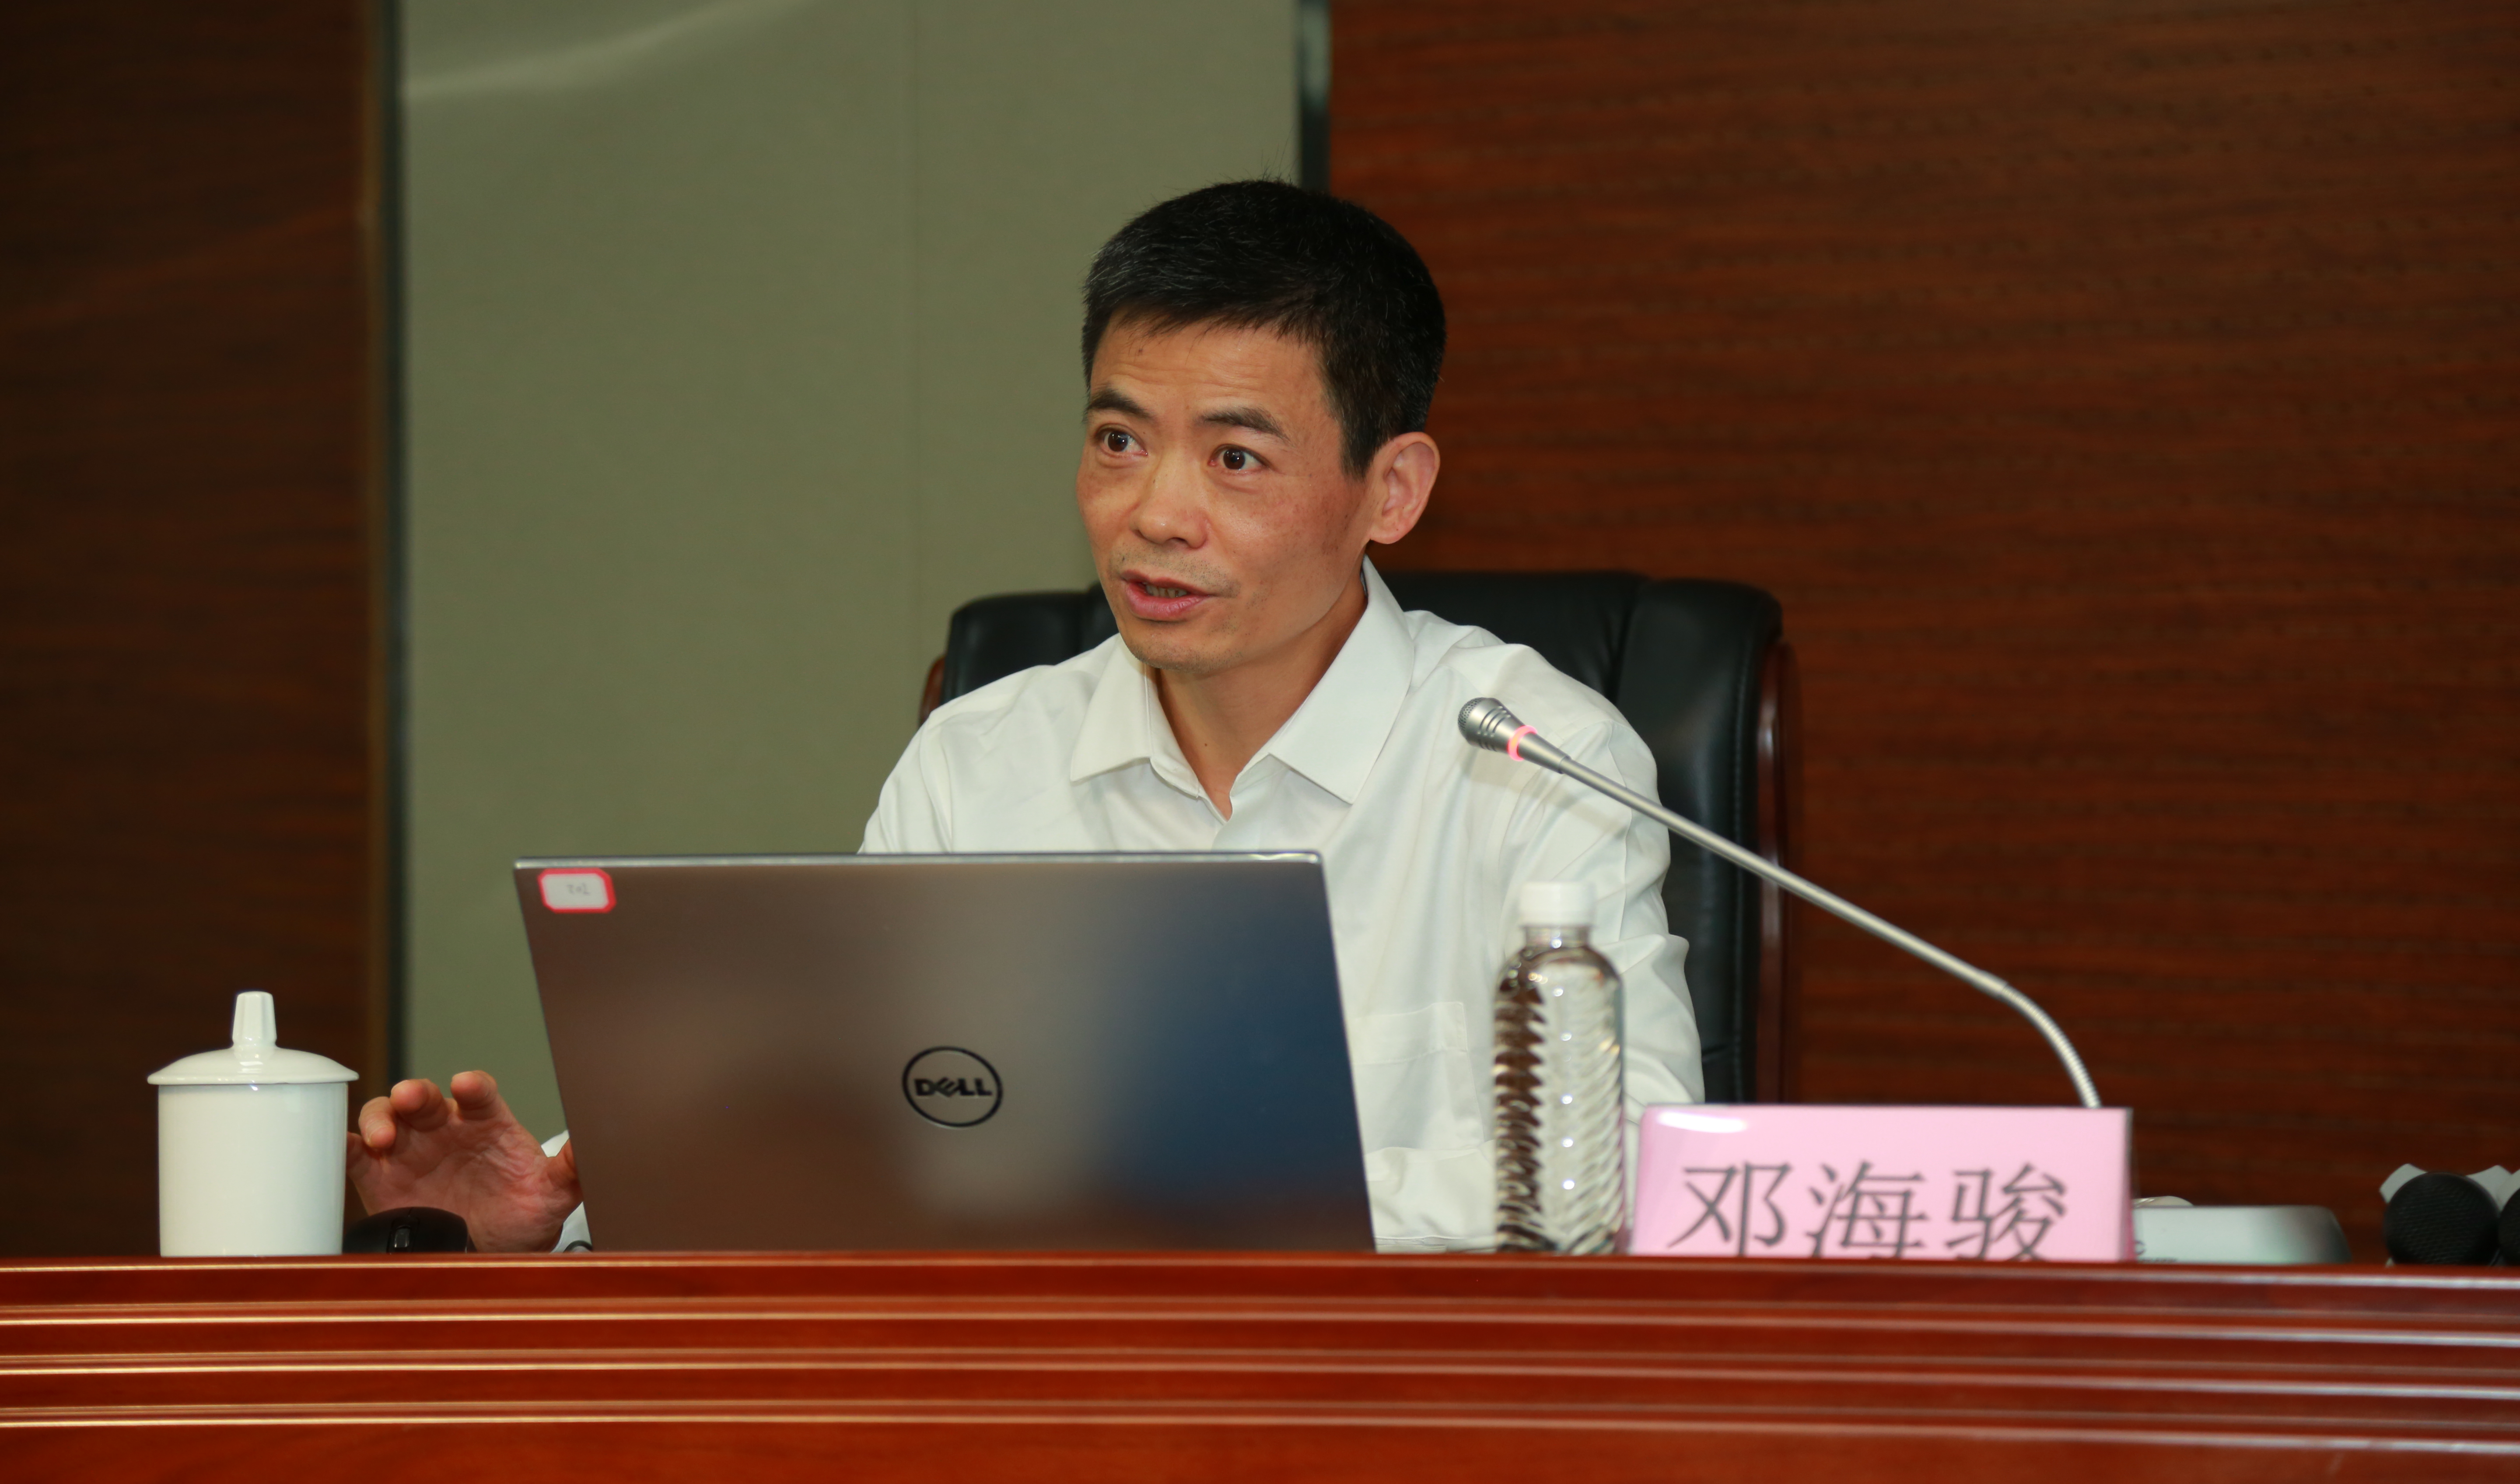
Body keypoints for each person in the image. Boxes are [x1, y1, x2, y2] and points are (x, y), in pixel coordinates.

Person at [350, 179, 1702, 1252]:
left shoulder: (1536, 759)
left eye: (1236, 457)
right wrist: (556, 1220)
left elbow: (1639, 1175)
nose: (1153, 513)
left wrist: (1175, 1190)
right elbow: (836, 1135)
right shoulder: (979, 762)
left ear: (1390, 491)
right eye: (1119, 441)